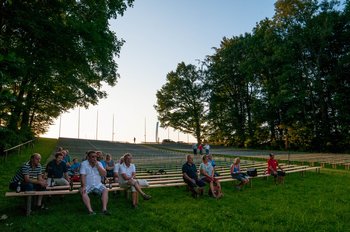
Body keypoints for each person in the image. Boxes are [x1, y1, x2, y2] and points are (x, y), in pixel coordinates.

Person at [80, 150, 111, 215]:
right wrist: (83, 186)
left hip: (98, 184)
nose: (94, 158)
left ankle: (104, 209)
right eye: (92, 157)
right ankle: (90, 211)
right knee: (83, 192)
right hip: (87, 185)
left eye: (95, 157)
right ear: (88, 158)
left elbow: (104, 174)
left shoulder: (99, 163)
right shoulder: (84, 164)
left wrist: (98, 166)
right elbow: (82, 175)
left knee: (105, 190)